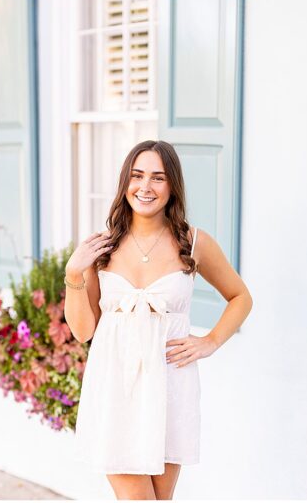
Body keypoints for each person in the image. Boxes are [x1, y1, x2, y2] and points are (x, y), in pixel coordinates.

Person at [65, 140, 252, 500]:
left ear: (172, 186)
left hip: (170, 387)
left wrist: (209, 342)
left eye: (158, 178)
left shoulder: (194, 243)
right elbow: (83, 330)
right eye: (137, 176)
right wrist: (74, 272)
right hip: (115, 388)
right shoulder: (101, 247)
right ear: (125, 183)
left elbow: (241, 297)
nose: (145, 187)